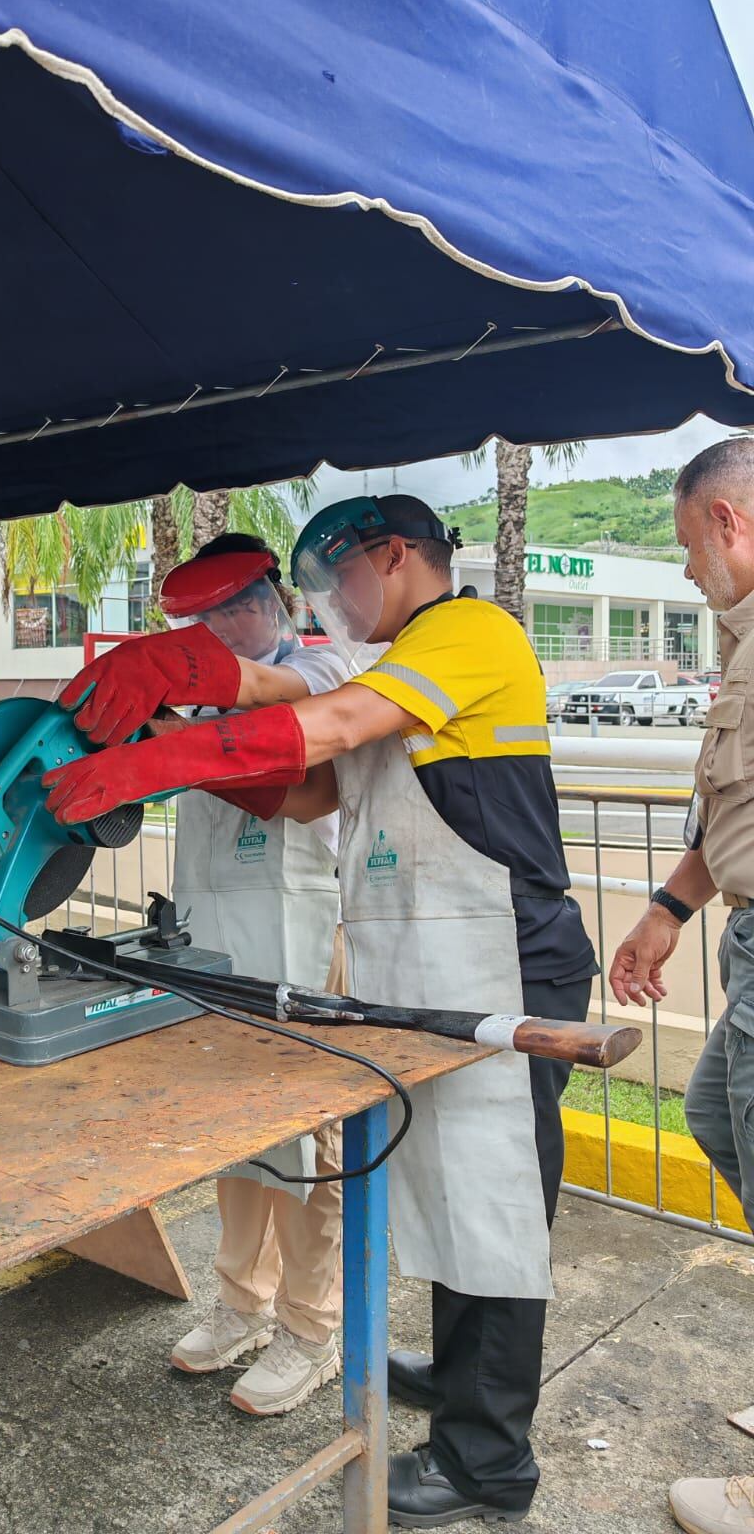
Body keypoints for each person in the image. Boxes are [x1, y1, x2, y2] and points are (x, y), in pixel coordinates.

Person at [47, 493, 597, 1527]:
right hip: (441, 967)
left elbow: (333, 717)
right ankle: (456, 1372)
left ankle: (490, 1462)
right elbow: (308, 792)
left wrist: (161, 753)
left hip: (513, 965)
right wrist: (179, 734)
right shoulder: (407, 664)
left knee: (498, 1204)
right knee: (448, 1187)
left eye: (336, 579)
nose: (329, 604)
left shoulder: (471, 633)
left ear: (394, 556)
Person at [76, 532, 355, 1415]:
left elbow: (297, 785)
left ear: (272, 604)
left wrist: (178, 747)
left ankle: (314, 1331)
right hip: (213, 938)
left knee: (312, 1143)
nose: (226, 626)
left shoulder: (324, 674)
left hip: (303, 935)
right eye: (203, 617)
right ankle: (242, 1304)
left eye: (237, 607)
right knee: (234, 1132)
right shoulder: (183, 704)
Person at [608, 438, 754, 1534]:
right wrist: (668, 908)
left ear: (726, 524)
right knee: (713, 1113)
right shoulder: (741, 639)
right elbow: (730, 807)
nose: (689, 576)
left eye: (687, 551)